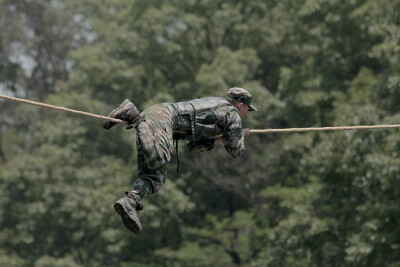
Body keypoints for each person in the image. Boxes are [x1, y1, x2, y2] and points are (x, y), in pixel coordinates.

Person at [103, 87, 257, 234]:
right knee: (159, 159)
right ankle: (132, 114)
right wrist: (242, 135)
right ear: (240, 105)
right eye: (247, 110)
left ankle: (130, 202)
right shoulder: (232, 113)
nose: (246, 114)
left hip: (156, 118)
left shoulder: (217, 106)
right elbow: (236, 150)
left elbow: (194, 147)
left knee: (155, 178)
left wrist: (220, 138)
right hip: (162, 119)